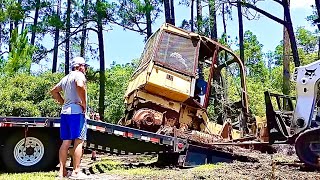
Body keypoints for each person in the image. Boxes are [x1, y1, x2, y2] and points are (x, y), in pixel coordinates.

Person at [50, 56, 89, 179]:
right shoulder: (79, 75)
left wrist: (63, 102)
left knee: (66, 142)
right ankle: (76, 172)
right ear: (79, 66)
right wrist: (83, 103)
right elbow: (80, 85)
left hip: (65, 112)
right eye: (85, 66)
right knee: (78, 141)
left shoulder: (66, 78)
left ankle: (62, 172)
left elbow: (53, 91)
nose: (85, 69)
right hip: (76, 112)